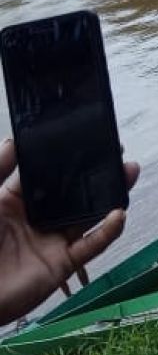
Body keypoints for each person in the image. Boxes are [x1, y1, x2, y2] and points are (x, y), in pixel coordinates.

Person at [0, 138, 139, 325]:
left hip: (59, 224)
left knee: (71, 264)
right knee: (64, 266)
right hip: (53, 226)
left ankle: (84, 292)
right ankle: (76, 296)